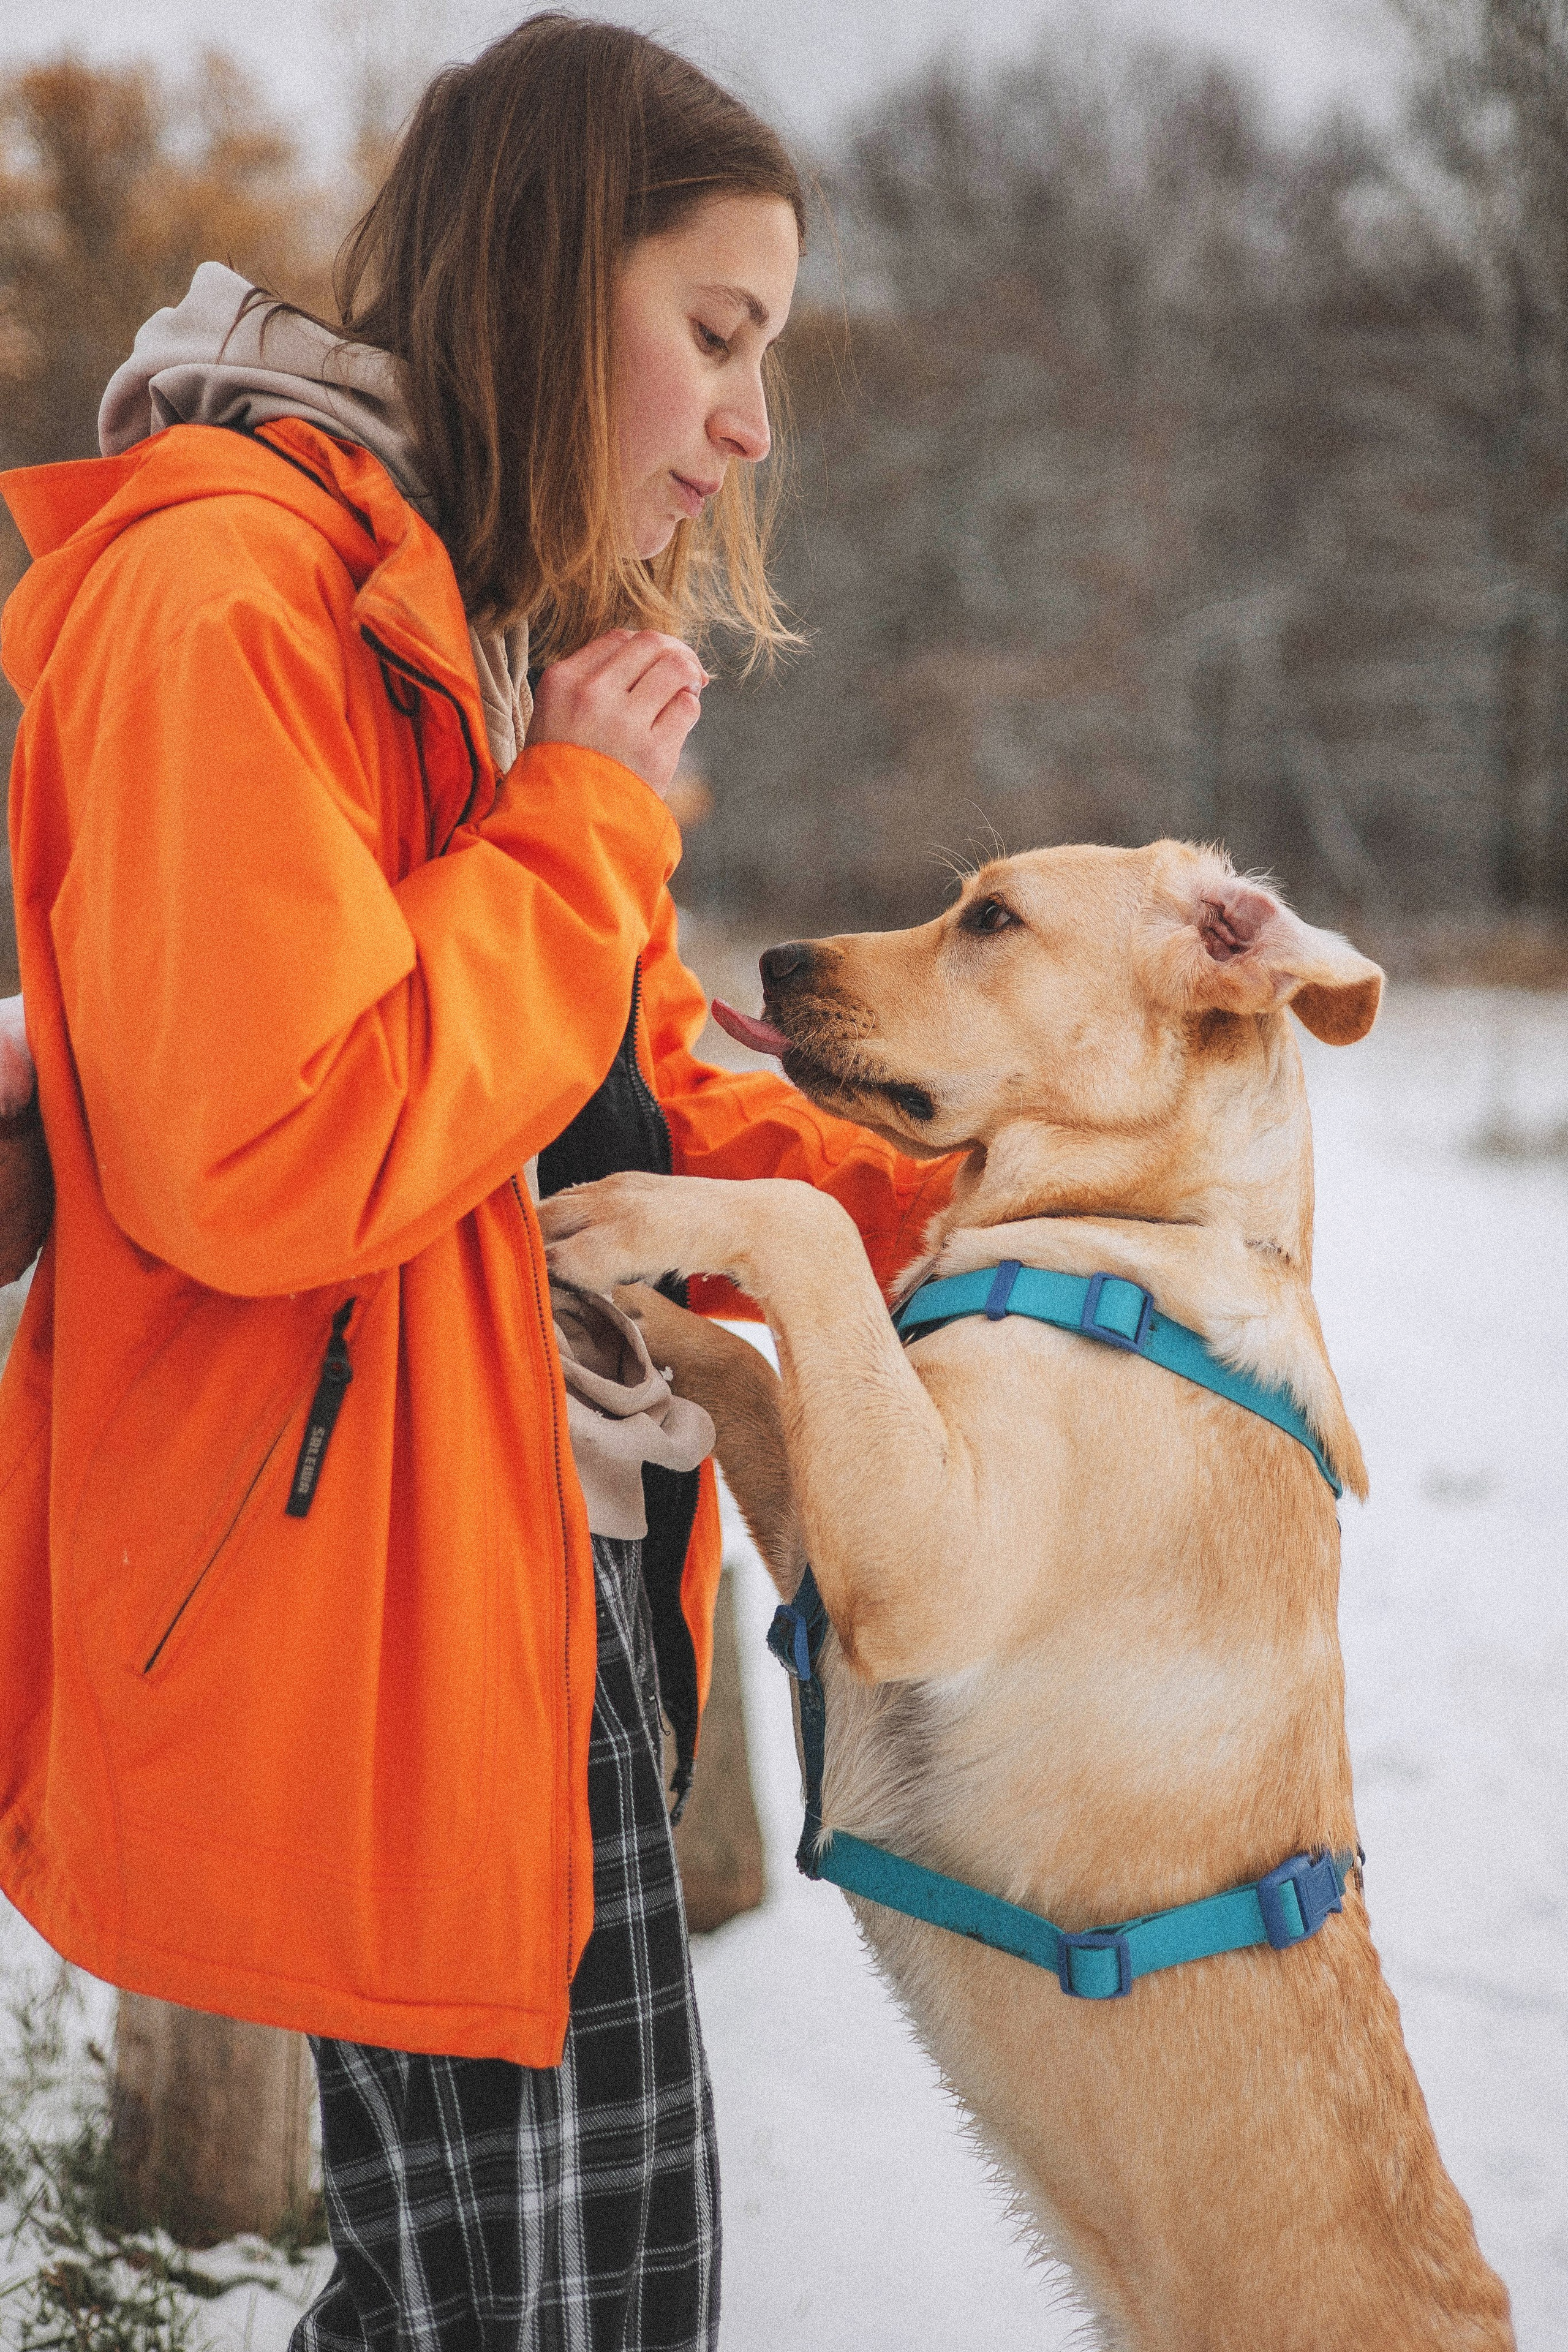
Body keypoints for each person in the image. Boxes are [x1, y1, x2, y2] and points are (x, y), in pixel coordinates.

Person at [0, 18, 954, 2349]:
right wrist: (580, 820)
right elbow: (279, 1141)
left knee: (539, 2300)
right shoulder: (229, 598)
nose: (750, 424)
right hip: (380, 1610)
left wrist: (983, 1205)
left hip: (548, 1559)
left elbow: (614, 1092)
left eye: (768, 355)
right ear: (547, 281)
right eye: (716, 335)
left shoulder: (477, 629)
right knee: (545, 2318)